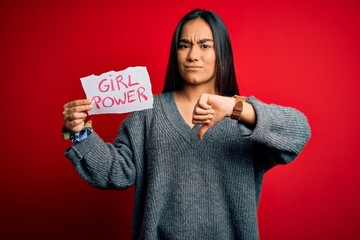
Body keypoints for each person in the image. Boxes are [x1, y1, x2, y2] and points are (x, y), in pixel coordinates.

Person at [62, 9, 311, 240]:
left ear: (221, 52)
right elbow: (116, 173)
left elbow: (299, 132)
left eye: (205, 45)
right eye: (184, 45)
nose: (192, 55)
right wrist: (80, 133)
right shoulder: (147, 113)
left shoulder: (244, 116)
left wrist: (233, 109)